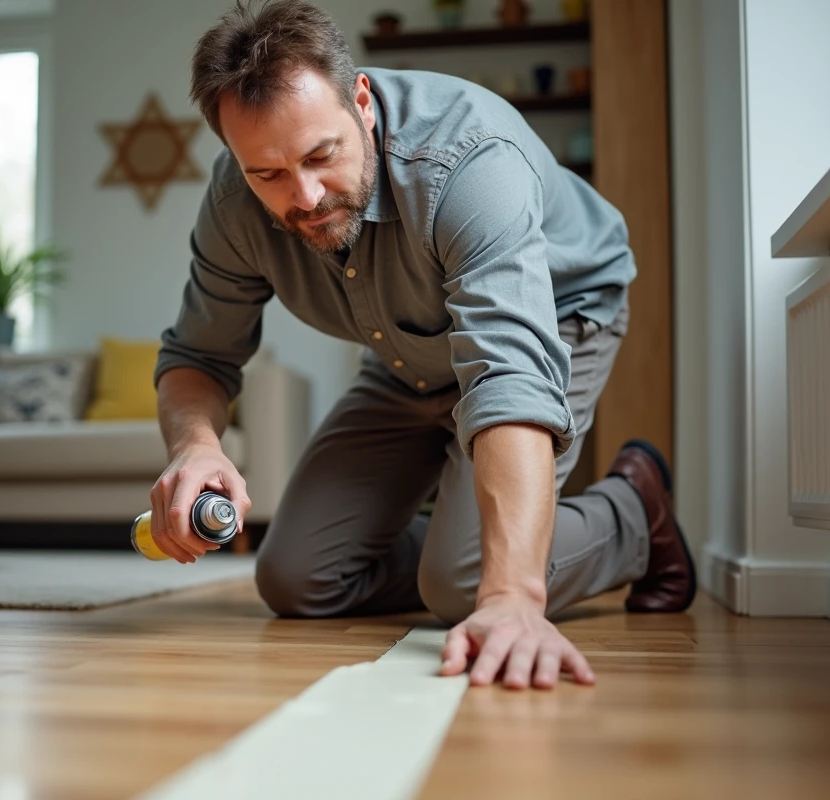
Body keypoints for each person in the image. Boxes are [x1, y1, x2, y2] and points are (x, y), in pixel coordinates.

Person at [148, 0, 695, 691]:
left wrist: (512, 598)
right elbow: (198, 357)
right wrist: (194, 445)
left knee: (473, 584)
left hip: (556, 316)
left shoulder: (469, 162)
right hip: (407, 354)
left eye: (322, 155)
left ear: (363, 103)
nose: (306, 195)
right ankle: (459, 556)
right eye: (269, 174)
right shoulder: (234, 203)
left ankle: (633, 514)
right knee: (298, 579)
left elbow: (509, 375)